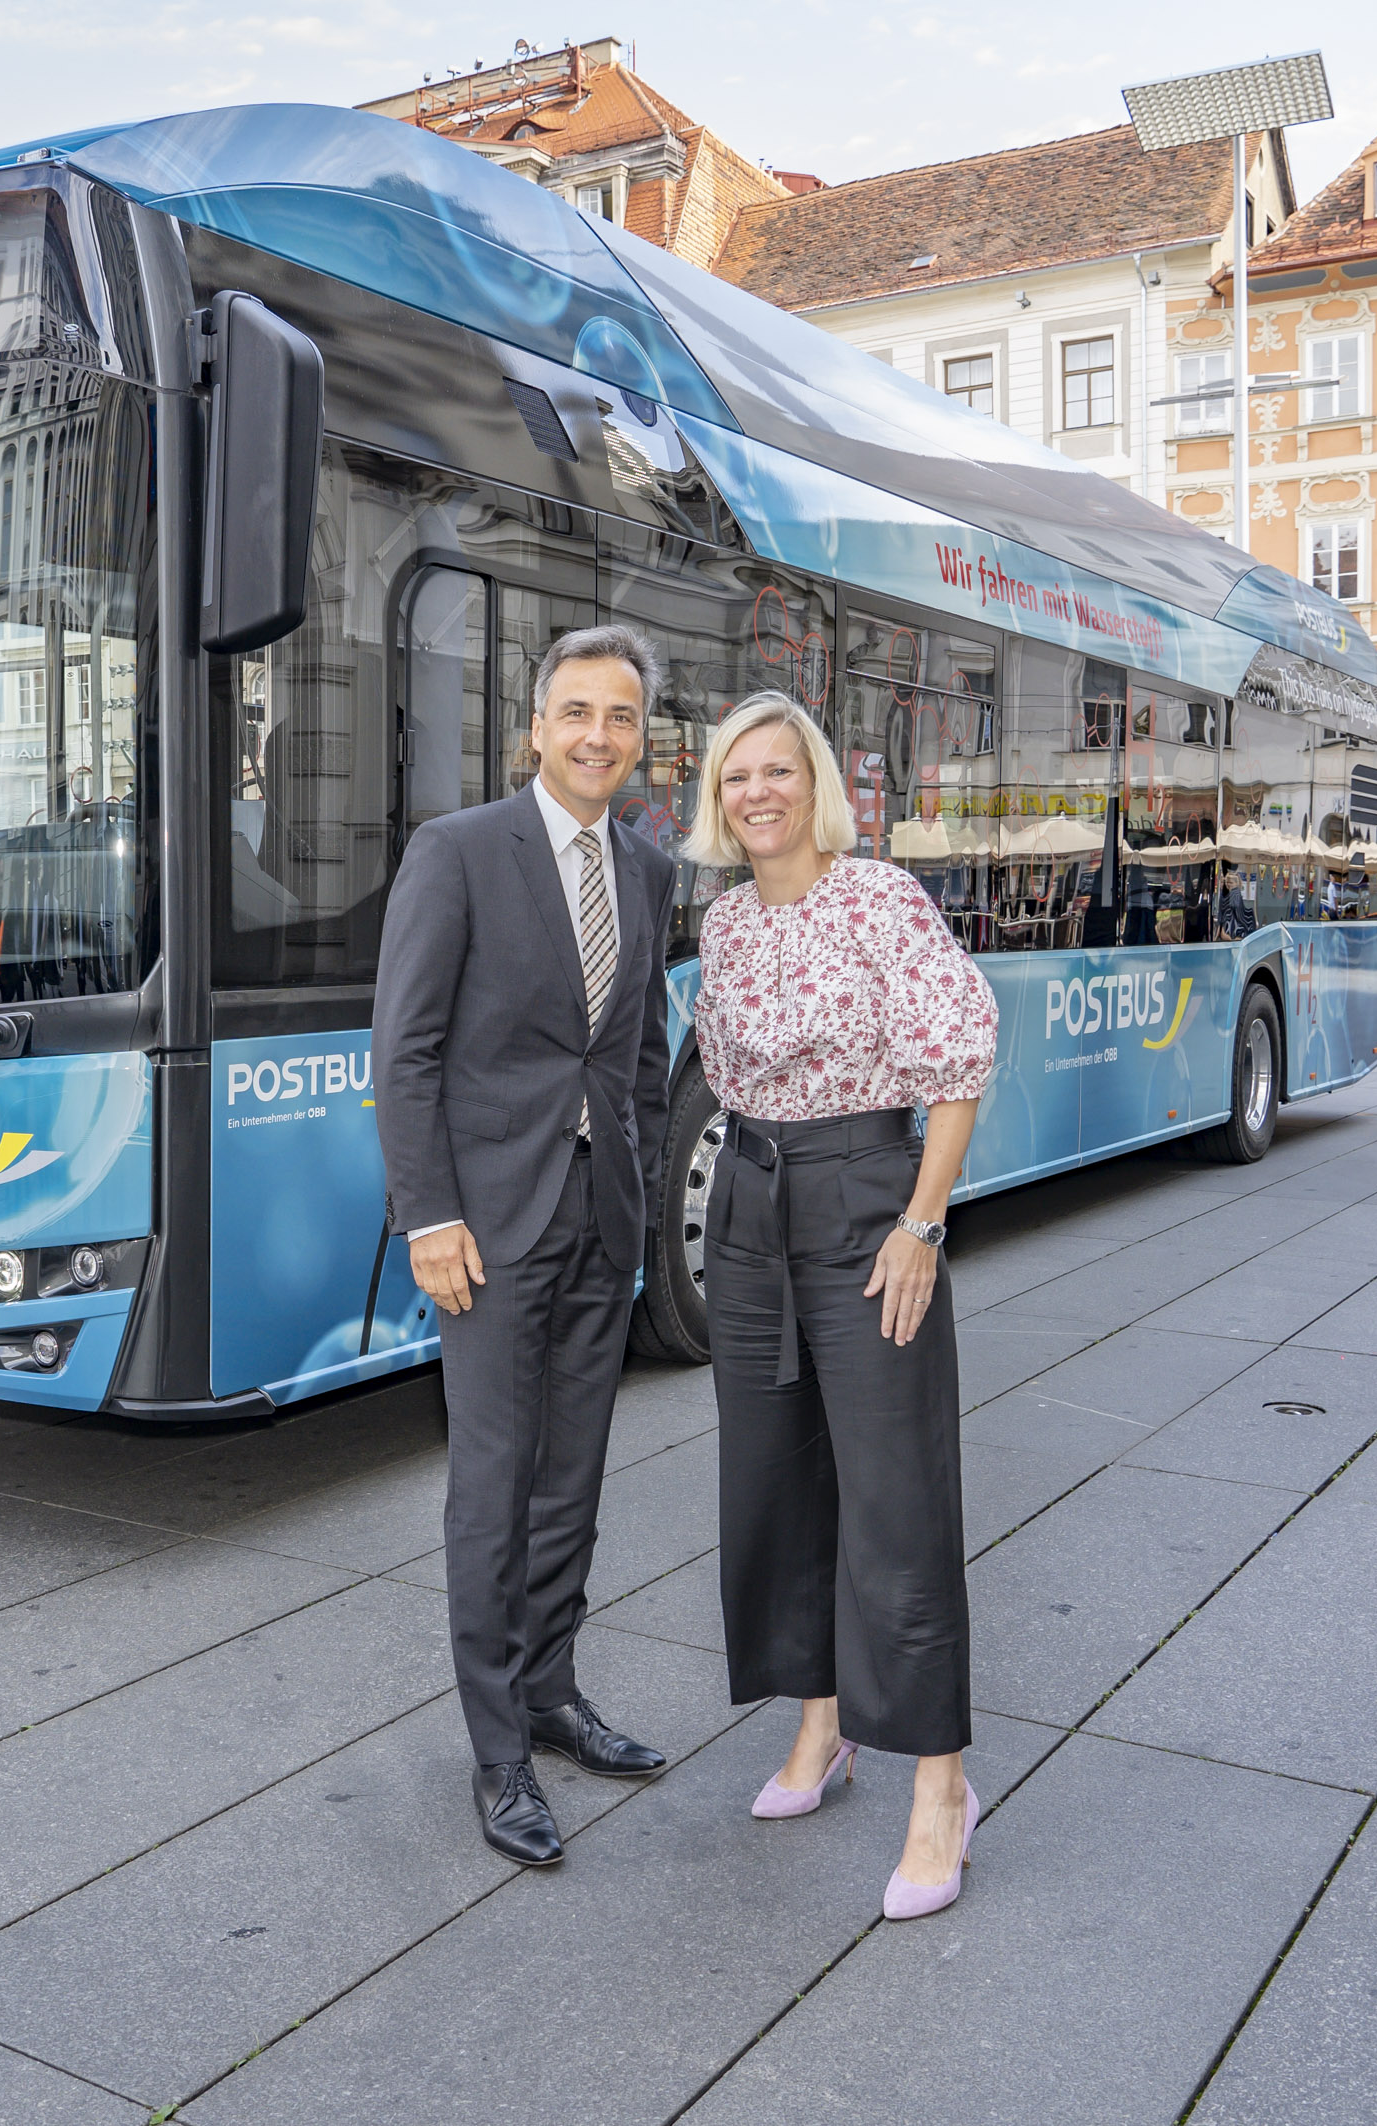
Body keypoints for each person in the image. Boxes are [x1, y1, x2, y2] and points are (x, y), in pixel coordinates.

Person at [686, 694, 997, 1922]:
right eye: (736, 775)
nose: (758, 791)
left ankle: (943, 1782)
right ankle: (819, 1725)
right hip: (752, 1208)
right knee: (772, 1478)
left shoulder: (878, 898)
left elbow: (957, 1055)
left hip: (869, 1199)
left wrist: (921, 1221)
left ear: (818, 783)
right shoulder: (722, 921)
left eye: (779, 770)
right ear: (718, 798)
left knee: (895, 1493)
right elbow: (721, 1074)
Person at [374, 623, 677, 1868]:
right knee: (492, 1491)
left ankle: (552, 1692)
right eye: (576, 712)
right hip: (487, 1230)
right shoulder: (456, 852)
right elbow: (406, 1051)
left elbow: (642, 1048)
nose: (597, 734)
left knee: (573, 1481)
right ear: (535, 728)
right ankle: (499, 1752)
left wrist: (645, 1184)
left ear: (639, 738)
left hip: (601, 1221)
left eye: (619, 716)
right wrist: (429, 1215)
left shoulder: (651, 869)